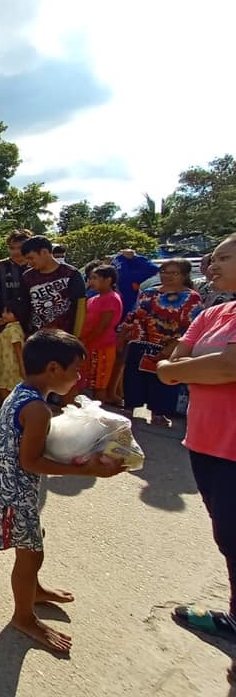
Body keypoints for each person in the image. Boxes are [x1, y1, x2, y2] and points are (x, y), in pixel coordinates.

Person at [0, 329, 126, 654]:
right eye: (75, 370)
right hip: (10, 491)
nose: (78, 377)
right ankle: (23, 616)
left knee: (33, 541)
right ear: (53, 370)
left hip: (10, 485)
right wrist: (85, 469)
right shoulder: (38, 409)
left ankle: (36, 590)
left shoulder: (25, 393)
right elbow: (31, 461)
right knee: (31, 553)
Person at [156, 234, 236, 649]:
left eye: (222, 256)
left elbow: (227, 367)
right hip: (206, 442)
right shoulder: (215, 313)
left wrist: (181, 367)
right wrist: (180, 367)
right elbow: (169, 363)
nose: (211, 264)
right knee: (227, 533)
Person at [120, 257, 202, 427]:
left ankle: (159, 413)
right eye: (164, 272)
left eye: (174, 273)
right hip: (140, 340)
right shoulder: (149, 292)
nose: (167, 276)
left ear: (184, 275)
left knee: (164, 379)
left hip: (169, 344)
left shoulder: (192, 297)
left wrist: (175, 345)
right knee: (133, 376)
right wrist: (123, 334)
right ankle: (130, 406)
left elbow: (192, 325)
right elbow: (134, 314)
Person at [21, 235, 87, 336]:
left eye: (31, 258)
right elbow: (25, 306)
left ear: (44, 252)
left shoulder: (71, 274)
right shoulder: (27, 277)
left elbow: (81, 306)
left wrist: (76, 336)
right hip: (36, 336)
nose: (29, 263)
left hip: (64, 336)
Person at [78, 265, 123, 401]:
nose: (91, 281)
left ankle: (98, 415)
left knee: (99, 384)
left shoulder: (111, 298)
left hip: (101, 346)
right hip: (89, 345)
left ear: (108, 280)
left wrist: (85, 341)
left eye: (95, 278)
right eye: (90, 278)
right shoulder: (93, 299)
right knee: (86, 381)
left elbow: (103, 326)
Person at [0, 229, 32, 327]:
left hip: (30, 320)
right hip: (5, 319)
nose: (16, 251)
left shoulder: (35, 265)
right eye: (12, 248)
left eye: (19, 248)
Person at [0, 306, 26, 402]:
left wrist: (21, 366)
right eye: (4, 312)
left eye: (8, 313)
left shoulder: (13, 329)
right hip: (5, 363)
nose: (3, 315)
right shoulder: (11, 327)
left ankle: (8, 408)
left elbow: (18, 349)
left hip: (9, 365)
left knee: (3, 387)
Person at [112, 248, 158, 321]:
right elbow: (153, 268)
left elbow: (154, 268)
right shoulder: (119, 262)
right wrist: (135, 256)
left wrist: (135, 257)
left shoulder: (127, 266)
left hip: (128, 304)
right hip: (121, 302)